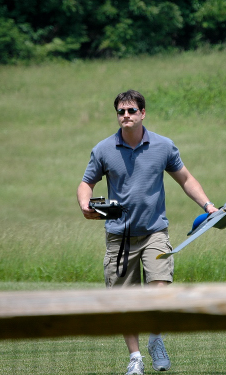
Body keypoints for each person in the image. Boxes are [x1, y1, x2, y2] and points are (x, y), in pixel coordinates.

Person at [77, 90, 218, 374]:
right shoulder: (103, 149)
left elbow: (186, 179)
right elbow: (86, 183)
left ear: (143, 113)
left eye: (131, 110)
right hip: (119, 236)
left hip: (155, 232)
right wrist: (84, 203)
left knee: (159, 288)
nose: (125, 115)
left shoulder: (163, 146)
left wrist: (208, 206)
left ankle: (155, 338)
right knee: (124, 301)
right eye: (121, 111)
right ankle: (136, 358)